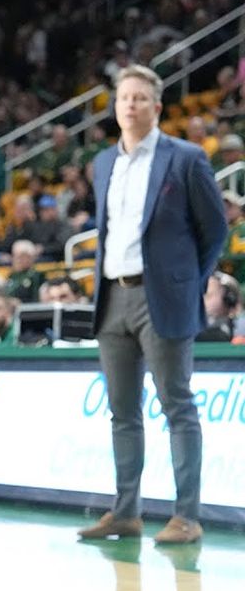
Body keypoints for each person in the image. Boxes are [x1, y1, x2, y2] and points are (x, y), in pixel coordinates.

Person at [79, 65, 227, 545]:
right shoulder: (103, 163)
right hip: (111, 297)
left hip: (161, 297)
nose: (130, 105)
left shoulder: (185, 159)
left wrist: (187, 282)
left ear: (157, 107)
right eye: (124, 97)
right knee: (122, 412)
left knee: (177, 406)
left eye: (140, 98)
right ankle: (126, 512)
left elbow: (216, 230)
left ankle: (187, 515)